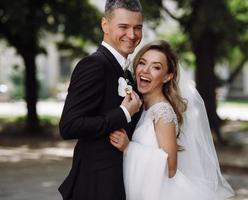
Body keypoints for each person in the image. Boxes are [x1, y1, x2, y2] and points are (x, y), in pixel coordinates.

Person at [110, 40, 235, 200]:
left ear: (167, 76)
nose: (146, 71)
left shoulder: (162, 112)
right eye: (142, 63)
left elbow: (170, 167)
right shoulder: (141, 107)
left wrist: (129, 148)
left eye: (156, 67)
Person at [58, 0, 143, 199]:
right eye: (123, 27)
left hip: (117, 181)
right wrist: (123, 114)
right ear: (105, 25)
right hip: (95, 185)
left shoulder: (125, 71)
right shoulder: (94, 65)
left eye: (137, 28)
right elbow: (69, 126)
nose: (132, 35)